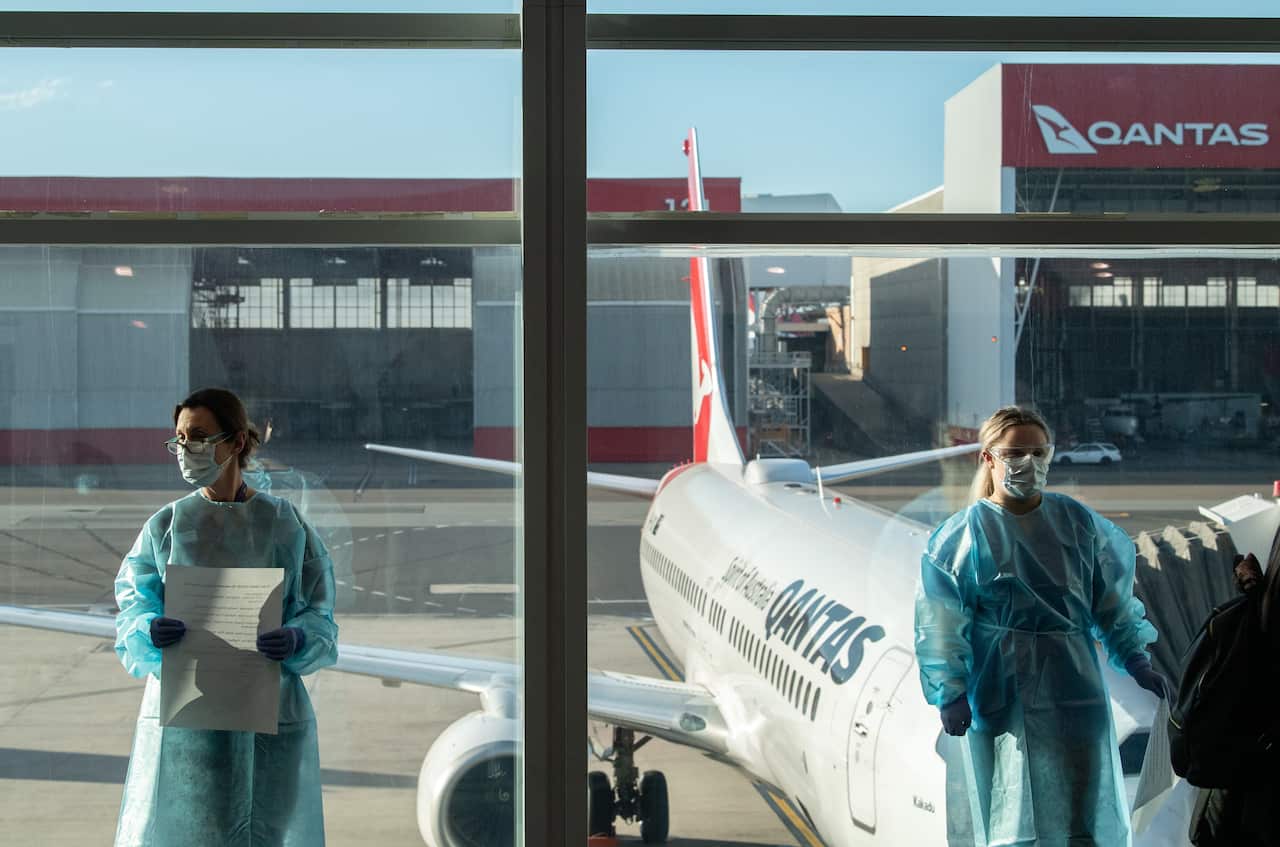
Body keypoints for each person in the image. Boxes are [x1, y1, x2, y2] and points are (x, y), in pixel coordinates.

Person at [915, 405, 1167, 847]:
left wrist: (1135, 657)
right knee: (1009, 815)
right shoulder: (962, 537)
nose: (1028, 464)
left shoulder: (1076, 522)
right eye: (1016, 454)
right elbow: (940, 625)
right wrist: (949, 691)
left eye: (1038, 452)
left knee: (1081, 814)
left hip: (1075, 688)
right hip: (1000, 691)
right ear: (988, 458)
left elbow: (1111, 603)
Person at [113, 388, 339, 846]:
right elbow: (133, 604)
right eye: (178, 438)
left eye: (197, 437)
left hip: (269, 715)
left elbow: (319, 609)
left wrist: (297, 637)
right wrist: (146, 629)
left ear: (236, 442)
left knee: (266, 831)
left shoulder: (284, 524)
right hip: (187, 718)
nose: (185, 449)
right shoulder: (168, 526)